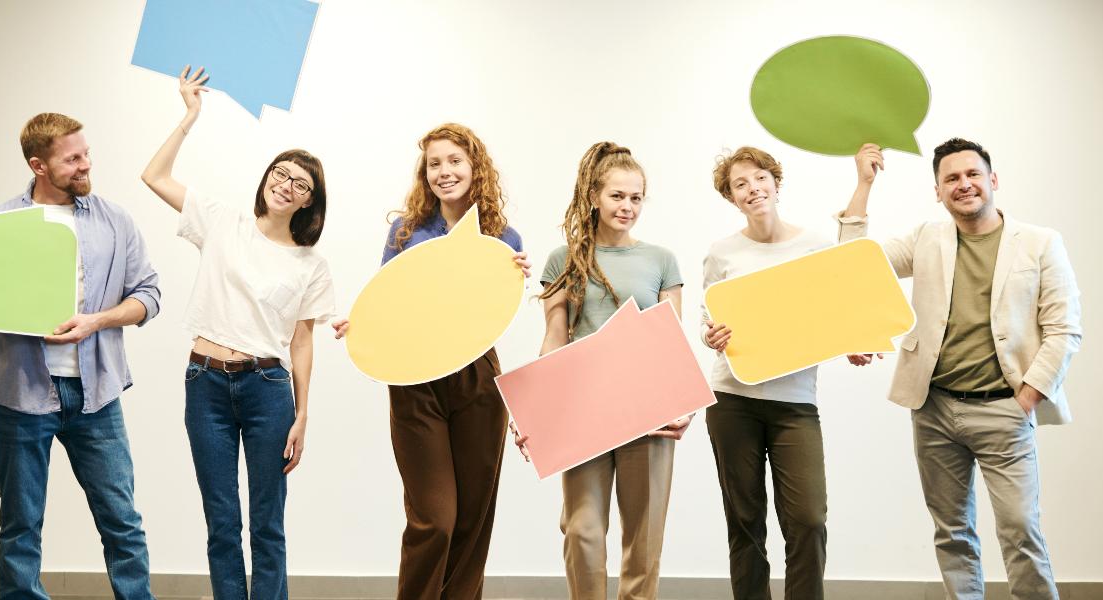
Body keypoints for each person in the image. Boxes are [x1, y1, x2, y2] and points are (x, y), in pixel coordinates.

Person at [841, 139, 1081, 600]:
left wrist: (1026, 397)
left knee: (1020, 531)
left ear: (993, 181)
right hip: (934, 410)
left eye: (972, 174)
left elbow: (1064, 329)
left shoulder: (1039, 243)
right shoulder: (927, 238)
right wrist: (864, 185)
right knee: (952, 532)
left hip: (1004, 410)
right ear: (938, 191)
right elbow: (853, 265)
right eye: (951, 178)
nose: (963, 184)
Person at [140, 66, 335, 600]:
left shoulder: (310, 264)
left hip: (268, 391)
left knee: (267, 525)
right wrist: (190, 116)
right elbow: (154, 177)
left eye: (301, 183)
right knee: (222, 523)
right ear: (268, 177)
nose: (287, 183)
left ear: (308, 203)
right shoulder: (223, 221)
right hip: (204, 385)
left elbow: (302, 342)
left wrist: (302, 412)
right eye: (282, 172)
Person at [331, 123, 530, 600]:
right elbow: (384, 298)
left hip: (478, 376)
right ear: (425, 173)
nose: (445, 172)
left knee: (473, 518)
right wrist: (358, 324)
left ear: (474, 166)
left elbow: (497, 309)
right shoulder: (405, 232)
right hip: (414, 379)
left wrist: (518, 273)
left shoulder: (502, 234)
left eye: (454, 161)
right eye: (435, 164)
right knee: (434, 519)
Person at [0, 112, 160, 599]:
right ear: (38, 165)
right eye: (73, 159)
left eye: (86, 153)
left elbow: (148, 295)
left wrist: (97, 321)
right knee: (20, 527)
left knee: (122, 521)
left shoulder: (114, 220)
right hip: (21, 395)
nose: (86, 164)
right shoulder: (2, 224)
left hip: (97, 396)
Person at [528, 141, 687, 600]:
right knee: (582, 532)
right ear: (595, 196)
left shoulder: (661, 260)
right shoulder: (564, 259)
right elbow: (555, 338)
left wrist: (683, 406)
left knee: (644, 537)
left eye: (636, 197)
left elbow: (670, 340)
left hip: (650, 411)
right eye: (618, 196)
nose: (627, 206)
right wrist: (536, 409)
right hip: (583, 412)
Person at [700, 146, 832, 600]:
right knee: (745, 520)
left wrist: (852, 340)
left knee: (809, 520)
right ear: (731, 197)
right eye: (741, 184)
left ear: (776, 183)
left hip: (796, 402)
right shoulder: (722, 253)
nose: (753, 189)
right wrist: (710, 336)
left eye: (759, 178)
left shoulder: (815, 245)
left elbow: (833, 312)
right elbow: (710, 319)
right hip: (732, 400)